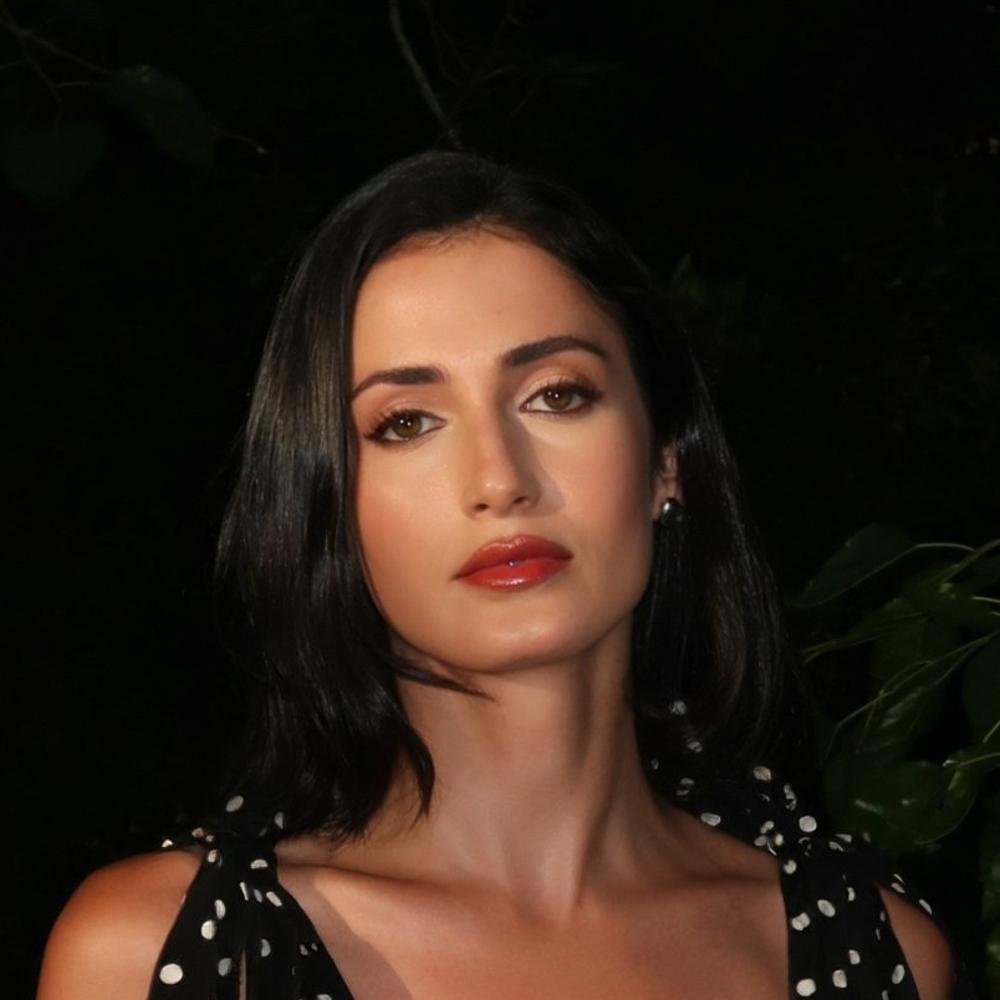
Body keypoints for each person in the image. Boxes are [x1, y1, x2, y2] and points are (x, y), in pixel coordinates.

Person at [37, 150, 977, 999]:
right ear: (329, 508)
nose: (498, 479)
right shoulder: (158, 954)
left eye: (556, 395)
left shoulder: (877, 951)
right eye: (406, 423)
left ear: (665, 460)